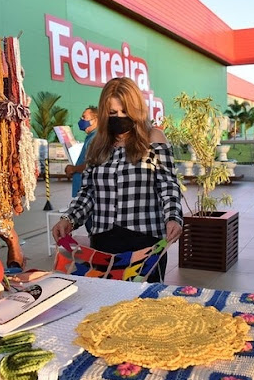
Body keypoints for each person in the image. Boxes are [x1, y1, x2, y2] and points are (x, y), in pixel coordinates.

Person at [52, 77, 183, 282]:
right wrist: (69, 218)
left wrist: (173, 217)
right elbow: (87, 192)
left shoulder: (153, 138)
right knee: (107, 307)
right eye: (112, 113)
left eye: (125, 111)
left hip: (145, 241)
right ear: (104, 113)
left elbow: (168, 185)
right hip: (104, 242)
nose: (119, 117)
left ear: (136, 110)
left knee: (142, 308)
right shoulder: (97, 145)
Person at [65, 106, 97, 233]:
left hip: (89, 192)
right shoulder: (90, 137)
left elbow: (92, 164)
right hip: (83, 192)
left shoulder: (96, 139)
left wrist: (74, 169)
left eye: (85, 117)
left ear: (95, 119)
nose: (81, 120)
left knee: (92, 229)